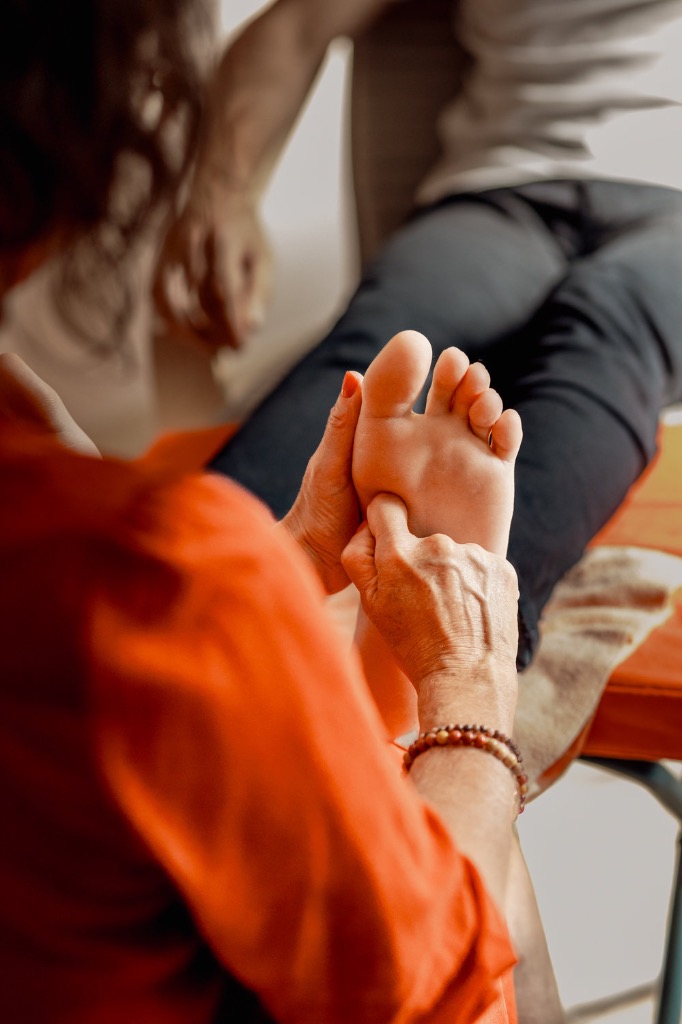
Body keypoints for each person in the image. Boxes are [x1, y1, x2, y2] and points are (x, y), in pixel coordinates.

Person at [0, 1, 537, 1020]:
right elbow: (429, 996)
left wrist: (277, 564)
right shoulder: (136, 567)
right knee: (487, 892)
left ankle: (342, 665)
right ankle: (400, 671)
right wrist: (471, 686)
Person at [154, 0, 682, 674]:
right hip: (504, 189)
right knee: (388, 343)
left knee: (608, 331)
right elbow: (294, 26)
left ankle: (463, 650)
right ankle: (176, 584)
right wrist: (223, 196)